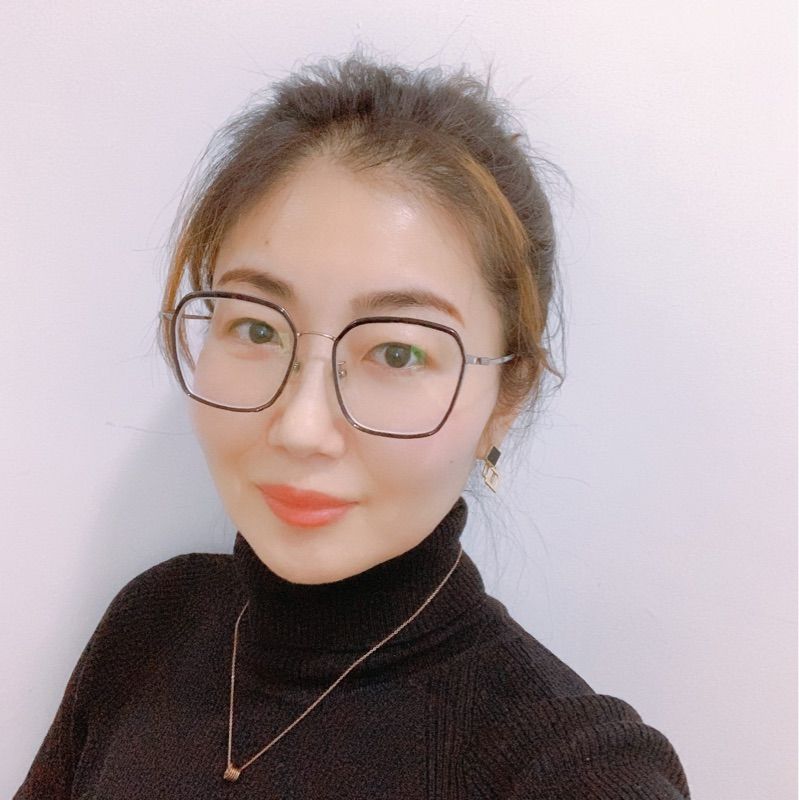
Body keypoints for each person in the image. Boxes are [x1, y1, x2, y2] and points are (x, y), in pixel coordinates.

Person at [15, 54, 690, 798]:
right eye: (257, 328)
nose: (301, 428)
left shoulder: (568, 769)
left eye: (397, 352)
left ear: (507, 397)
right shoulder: (152, 625)